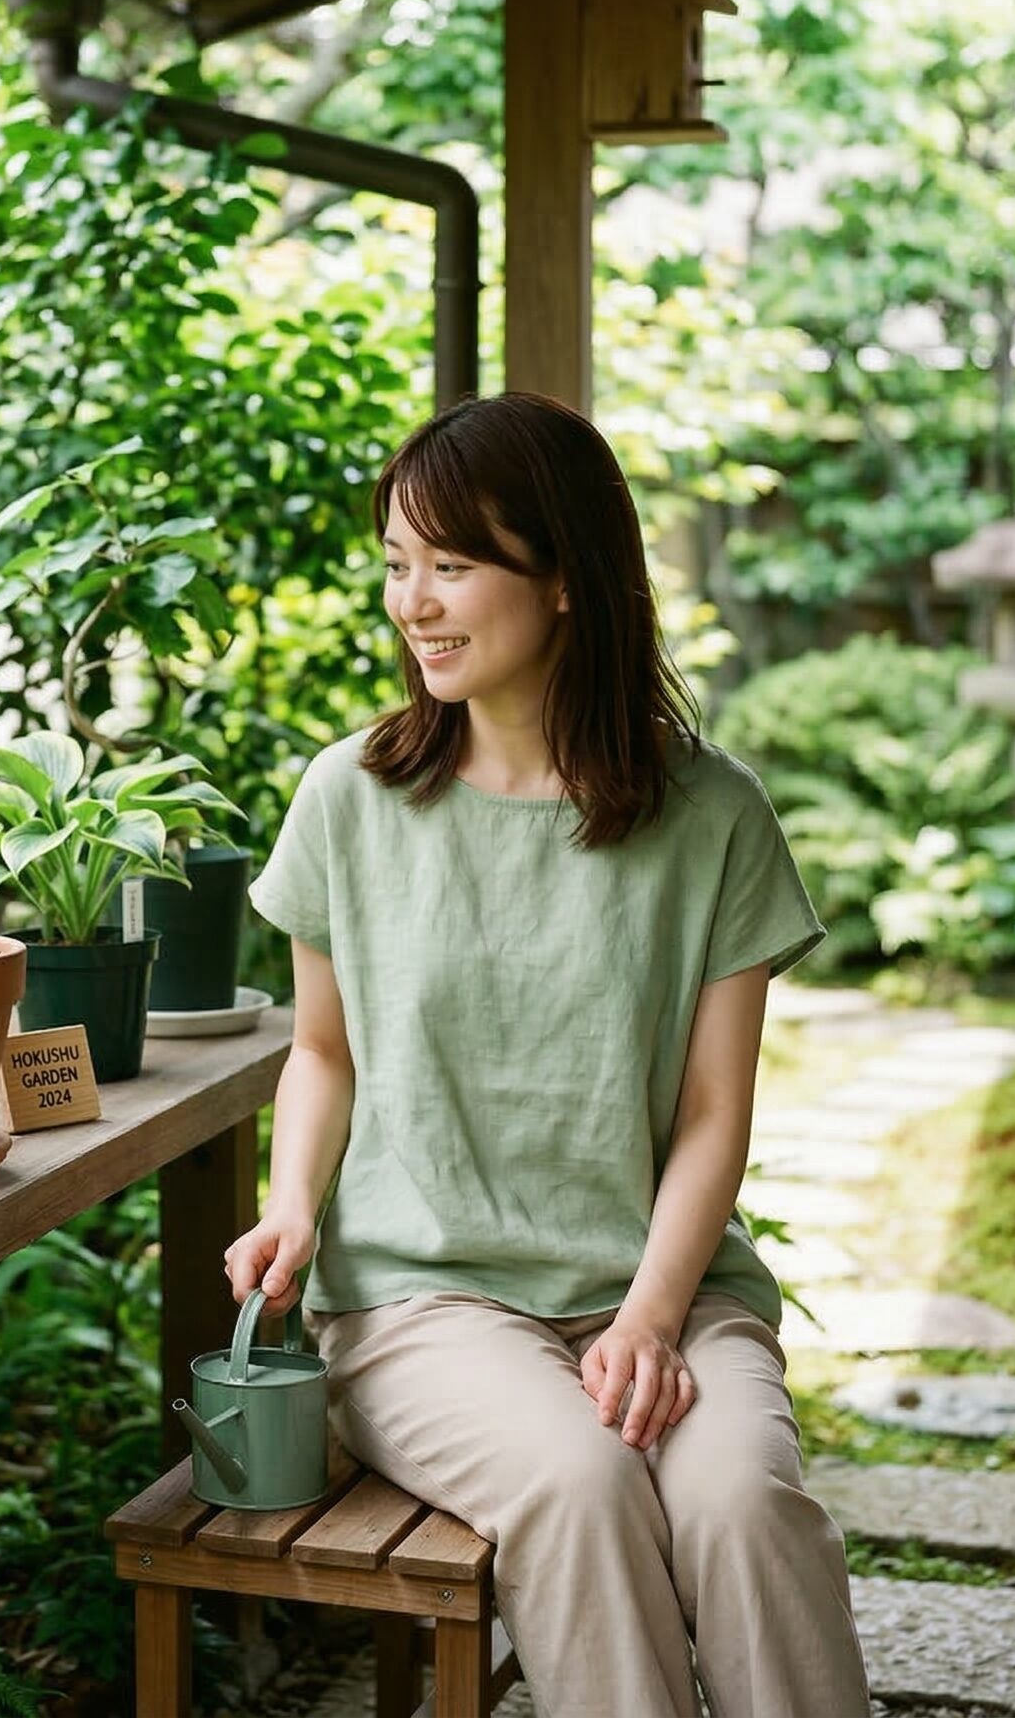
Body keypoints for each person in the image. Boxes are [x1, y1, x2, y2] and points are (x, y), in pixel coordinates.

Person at [225, 392, 872, 1718]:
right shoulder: (348, 797)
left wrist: (647, 1317)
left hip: (663, 1286)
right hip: (424, 1301)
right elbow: (325, 1055)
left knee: (742, 1504)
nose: (416, 603)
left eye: (453, 566)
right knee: (579, 1485)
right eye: (399, 566)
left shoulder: (713, 815)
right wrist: (291, 1202)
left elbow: (710, 1115)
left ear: (569, 579)